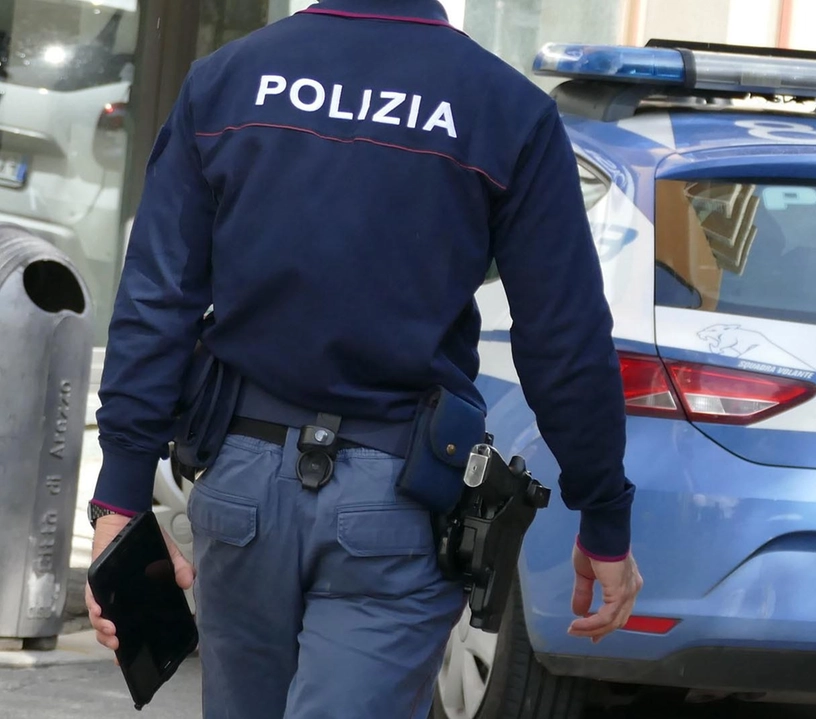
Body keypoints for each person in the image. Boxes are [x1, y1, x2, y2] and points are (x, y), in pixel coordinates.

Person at [83, 1, 642, 716]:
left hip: (241, 486)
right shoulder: (503, 109)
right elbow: (563, 339)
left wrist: (121, 494)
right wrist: (603, 512)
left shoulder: (229, 82)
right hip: (396, 499)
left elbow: (158, 298)